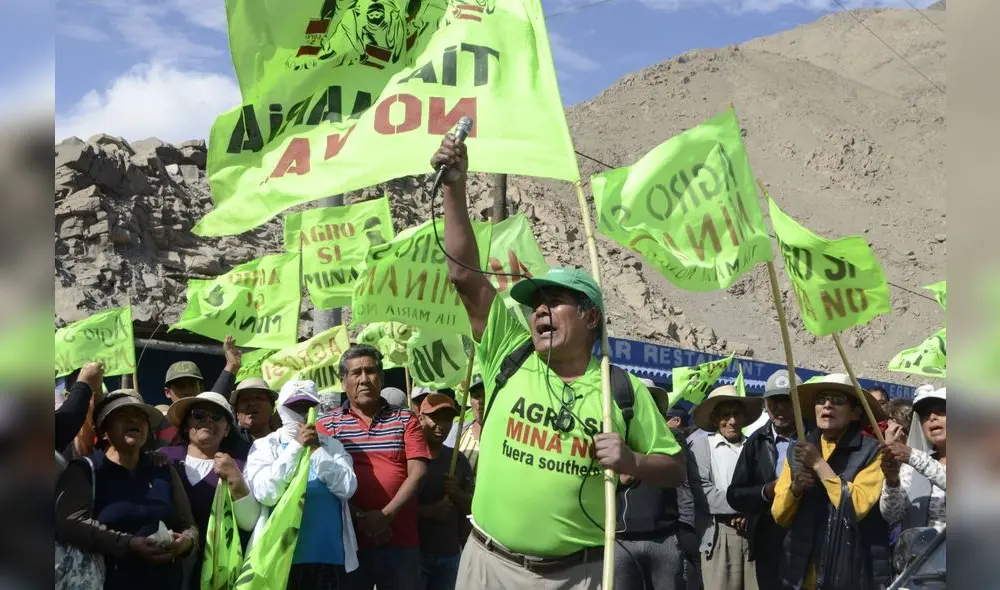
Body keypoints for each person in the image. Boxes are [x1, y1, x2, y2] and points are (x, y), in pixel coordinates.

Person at [433, 134, 686, 588]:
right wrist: (454, 186)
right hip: (487, 564)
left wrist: (631, 460)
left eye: (556, 302)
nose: (541, 311)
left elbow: (673, 466)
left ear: (590, 317)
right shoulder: (508, 354)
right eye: (537, 304)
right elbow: (464, 277)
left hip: (575, 576)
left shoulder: (621, 391)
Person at [55, 390, 199, 590]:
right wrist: (129, 544)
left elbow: (189, 526)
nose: (133, 420)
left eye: (140, 416)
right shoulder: (85, 470)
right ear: (104, 432)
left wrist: (185, 543)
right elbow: (69, 524)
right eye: (122, 415)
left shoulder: (164, 470)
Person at [318, 345, 431, 590]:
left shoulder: (405, 419)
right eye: (355, 373)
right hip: (350, 543)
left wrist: (385, 516)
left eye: (370, 371)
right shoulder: (328, 424)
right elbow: (324, 479)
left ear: (380, 377)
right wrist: (362, 517)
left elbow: (418, 472)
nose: (364, 379)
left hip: (400, 541)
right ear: (342, 381)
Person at [771, 374, 891, 590]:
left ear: (855, 413)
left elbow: (857, 507)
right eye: (821, 399)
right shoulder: (798, 449)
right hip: (800, 574)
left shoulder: (873, 452)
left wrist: (819, 464)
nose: (827, 405)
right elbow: (779, 514)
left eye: (837, 400)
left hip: (851, 573)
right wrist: (796, 489)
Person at [245, 380, 359, 589]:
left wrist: (316, 450)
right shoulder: (264, 446)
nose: (302, 412)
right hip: (279, 560)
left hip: (329, 559)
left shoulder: (332, 446)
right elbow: (266, 493)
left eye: (307, 406)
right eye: (294, 406)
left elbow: (347, 488)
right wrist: (296, 446)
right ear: (281, 409)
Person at [161, 391, 260, 588]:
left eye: (217, 417)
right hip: (163, 567)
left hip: (216, 573)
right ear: (187, 423)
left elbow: (249, 522)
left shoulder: (241, 464)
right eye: (199, 415)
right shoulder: (162, 458)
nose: (207, 421)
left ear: (226, 430)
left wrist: (236, 480)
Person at [726, 370, 802, 590]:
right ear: (766, 405)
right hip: (769, 537)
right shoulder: (757, 442)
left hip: (807, 537)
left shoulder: (815, 438)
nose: (779, 408)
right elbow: (735, 494)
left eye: (786, 401)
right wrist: (766, 491)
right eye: (773, 402)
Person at [613, 378, 685, 590]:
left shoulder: (672, 444)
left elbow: (685, 485)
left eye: (647, 402)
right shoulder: (613, 442)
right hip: (621, 542)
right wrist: (618, 479)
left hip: (664, 539)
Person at [689, 385, 764, 590]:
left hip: (752, 531)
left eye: (736, 414)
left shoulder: (755, 446)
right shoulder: (702, 447)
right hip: (719, 531)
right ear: (714, 419)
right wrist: (741, 507)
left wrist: (750, 512)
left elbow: (762, 487)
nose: (731, 421)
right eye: (725, 415)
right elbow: (703, 490)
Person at [416, 392, 475, 590]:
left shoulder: (457, 460)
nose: (442, 425)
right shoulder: (408, 457)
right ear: (420, 417)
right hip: (414, 556)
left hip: (449, 556)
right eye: (435, 417)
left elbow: (472, 507)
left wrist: (457, 493)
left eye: (448, 419)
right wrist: (429, 512)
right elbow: (395, 508)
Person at [158, 336, 245, 450]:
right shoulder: (158, 423)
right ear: (167, 392)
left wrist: (232, 366)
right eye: (180, 385)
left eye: (191, 383)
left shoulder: (214, 421)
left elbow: (217, 397)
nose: (187, 389)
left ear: (201, 387)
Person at [880, 386, 946, 531]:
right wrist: (892, 481)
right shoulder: (912, 466)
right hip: (920, 552)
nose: (932, 417)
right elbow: (892, 515)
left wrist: (913, 456)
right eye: (925, 414)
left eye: (941, 410)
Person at [56, 362, 105, 453]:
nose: (93, 403)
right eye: (86, 398)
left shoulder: (108, 439)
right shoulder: (65, 446)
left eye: (97, 400)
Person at [443, 374, 484, 474]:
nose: (481, 401)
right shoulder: (455, 431)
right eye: (476, 396)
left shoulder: (507, 436)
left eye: (486, 395)